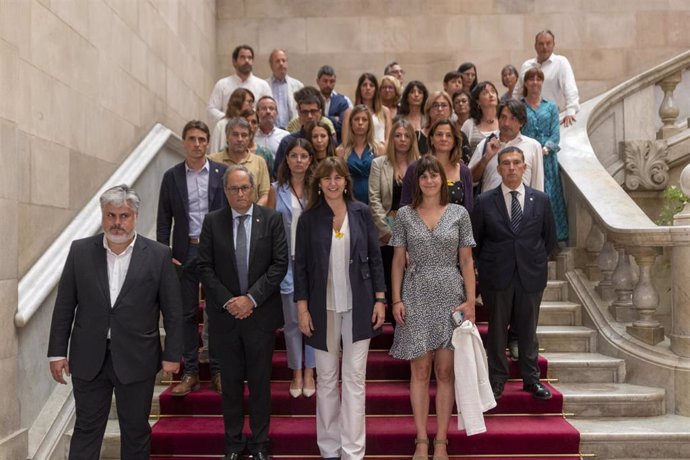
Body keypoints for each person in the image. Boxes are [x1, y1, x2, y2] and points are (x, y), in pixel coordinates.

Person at [48, 184, 183, 460]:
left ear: (135, 216)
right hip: (88, 357)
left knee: (135, 430)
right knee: (86, 428)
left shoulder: (158, 255)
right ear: (102, 215)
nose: (117, 223)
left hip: (138, 357)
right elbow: (64, 305)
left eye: (124, 216)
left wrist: (172, 354)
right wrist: (57, 352)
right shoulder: (80, 251)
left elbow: (173, 311)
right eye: (111, 215)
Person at [294, 156, 386, 460]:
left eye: (338, 178)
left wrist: (380, 299)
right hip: (323, 311)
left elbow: (375, 258)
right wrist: (302, 308)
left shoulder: (360, 213)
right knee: (328, 379)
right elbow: (302, 266)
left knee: (355, 379)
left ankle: (353, 451)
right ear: (318, 184)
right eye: (326, 178)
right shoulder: (308, 219)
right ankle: (330, 449)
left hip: (359, 307)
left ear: (346, 181)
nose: (333, 183)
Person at [198, 165, 288, 460]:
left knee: (261, 385)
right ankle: (234, 445)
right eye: (234, 189)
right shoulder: (213, 222)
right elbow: (205, 267)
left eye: (245, 188)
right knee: (231, 387)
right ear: (225, 192)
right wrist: (230, 301)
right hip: (226, 319)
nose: (240, 193)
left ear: (253, 190)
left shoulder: (271, 219)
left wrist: (250, 299)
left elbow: (279, 265)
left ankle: (261, 444)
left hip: (259, 318)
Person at [390, 155, 476, 460]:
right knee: (420, 370)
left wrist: (470, 301)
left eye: (434, 176)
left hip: (451, 295)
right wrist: (396, 299)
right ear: (417, 181)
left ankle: (441, 441)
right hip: (414, 294)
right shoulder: (404, 215)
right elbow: (398, 260)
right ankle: (421, 440)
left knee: (445, 371)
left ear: (443, 180)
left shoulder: (459, 213)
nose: (429, 180)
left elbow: (466, 261)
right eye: (423, 176)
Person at [471, 146, 556, 401]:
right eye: (505, 163)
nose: (511, 168)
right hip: (497, 276)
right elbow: (476, 240)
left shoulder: (541, 200)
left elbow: (549, 240)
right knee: (497, 331)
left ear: (524, 167)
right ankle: (497, 380)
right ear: (498, 169)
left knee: (528, 330)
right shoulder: (484, 201)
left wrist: (536, 262)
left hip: (531, 275)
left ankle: (532, 380)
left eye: (516, 163)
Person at [157, 120, 227, 397]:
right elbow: (163, 220)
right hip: (183, 254)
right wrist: (164, 253)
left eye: (201, 139)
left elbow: (228, 217)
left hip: (214, 253)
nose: (197, 144)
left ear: (208, 142)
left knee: (217, 313)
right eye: (192, 139)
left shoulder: (222, 173)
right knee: (185, 314)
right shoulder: (171, 177)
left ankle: (219, 370)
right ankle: (190, 373)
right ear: (184, 142)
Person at [271, 138, 317, 399]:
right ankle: (296, 371)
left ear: (310, 160)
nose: (299, 160)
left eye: (304, 156)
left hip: (312, 264)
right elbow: (266, 227)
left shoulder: (318, 189)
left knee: (311, 319)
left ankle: (310, 371)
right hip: (285, 262)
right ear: (286, 159)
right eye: (294, 156)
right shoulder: (275, 190)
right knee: (291, 321)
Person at [368, 119, 420, 315]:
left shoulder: (421, 164)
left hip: (415, 232)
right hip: (386, 233)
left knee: (413, 290)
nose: (402, 139)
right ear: (391, 139)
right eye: (397, 135)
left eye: (407, 136)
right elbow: (374, 200)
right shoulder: (378, 164)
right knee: (392, 287)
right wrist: (387, 234)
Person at [521, 67, 568, 242]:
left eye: (538, 78)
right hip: (527, 159)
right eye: (531, 79)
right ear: (526, 83)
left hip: (548, 159)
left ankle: (556, 237)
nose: (535, 82)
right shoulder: (520, 106)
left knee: (551, 196)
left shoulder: (551, 106)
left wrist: (546, 148)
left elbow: (555, 134)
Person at [468, 99, 544, 195]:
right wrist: (486, 158)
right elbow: (469, 180)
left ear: (521, 122)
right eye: (503, 117)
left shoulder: (533, 146)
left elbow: (538, 187)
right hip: (490, 207)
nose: (506, 123)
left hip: (523, 208)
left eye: (513, 118)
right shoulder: (485, 144)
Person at [400, 119, 474, 212]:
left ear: (455, 141)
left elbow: (469, 210)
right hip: (419, 225)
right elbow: (404, 207)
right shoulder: (415, 168)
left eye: (449, 135)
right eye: (439, 134)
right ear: (431, 139)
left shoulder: (464, 172)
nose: (444, 138)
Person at [513, 30, 580, 127]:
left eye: (548, 43)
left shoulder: (561, 62)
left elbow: (570, 88)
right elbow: (517, 92)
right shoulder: (526, 65)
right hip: (527, 121)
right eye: (541, 44)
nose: (544, 47)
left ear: (553, 45)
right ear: (535, 46)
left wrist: (570, 111)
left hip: (551, 120)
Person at [209, 117, 271, 206]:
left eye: (244, 135)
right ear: (227, 137)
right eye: (235, 134)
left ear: (249, 138)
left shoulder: (259, 162)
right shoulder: (213, 160)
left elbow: (265, 194)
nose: (240, 139)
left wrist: (252, 214)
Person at [207, 45, 272, 123]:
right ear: (234, 62)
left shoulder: (263, 85)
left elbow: (269, 108)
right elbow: (211, 110)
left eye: (249, 58)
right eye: (242, 57)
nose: (247, 61)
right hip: (228, 130)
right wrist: (229, 119)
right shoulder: (222, 84)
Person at [336, 105, 384, 204]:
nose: (360, 123)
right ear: (351, 123)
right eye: (356, 119)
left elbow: (383, 180)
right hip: (349, 200)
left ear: (369, 124)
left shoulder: (379, 149)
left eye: (364, 119)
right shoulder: (341, 151)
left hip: (374, 201)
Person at [342, 73, 392, 146]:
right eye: (364, 85)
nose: (368, 88)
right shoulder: (350, 112)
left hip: (380, 152)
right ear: (359, 88)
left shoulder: (385, 111)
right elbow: (346, 140)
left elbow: (389, 138)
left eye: (371, 85)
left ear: (376, 89)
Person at [265, 49, 304, 129]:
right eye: (277, 61)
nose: (281, 64)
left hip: (293, 130)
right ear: (271, 65)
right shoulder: (264, 85)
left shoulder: (298, 85)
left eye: (284, 60)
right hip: (271, 130)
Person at [209, 88, 255, 154]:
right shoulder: (221, 125)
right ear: (239, 102)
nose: (252, 106)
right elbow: (214, 151)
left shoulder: (250, 125)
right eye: (249, 102)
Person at [316, 65, 353, 144]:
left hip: (336, 144)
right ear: (318, 81)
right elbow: (312, 122)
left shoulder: (342, 101)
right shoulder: (312, 100)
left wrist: (321, 118)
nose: (328, 85)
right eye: (325, 81)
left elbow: (342, 126)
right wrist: (334, 119)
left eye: (332, 81)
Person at [461, 81, 500, 154]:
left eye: (493, 91)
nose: (491, 95)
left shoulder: (504, 120)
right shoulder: (469, 124)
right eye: (485, 93)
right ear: (478, 101)